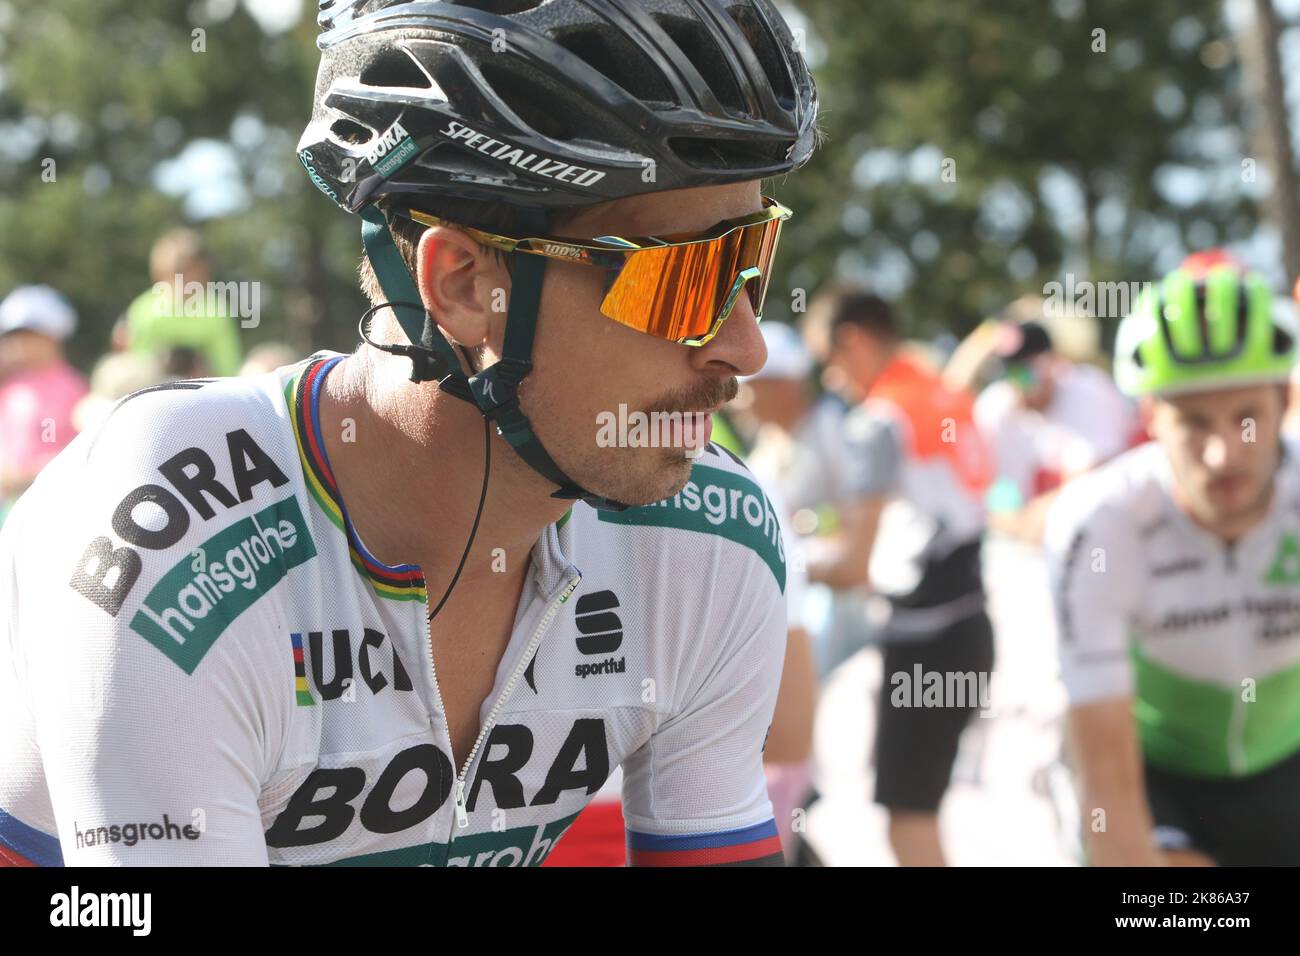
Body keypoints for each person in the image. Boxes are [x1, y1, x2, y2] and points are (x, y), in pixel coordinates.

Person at [0, 0, 818, 867]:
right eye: (688, 279)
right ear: (464, 285)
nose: (747, 346)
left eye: (754, 264)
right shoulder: (177, 539)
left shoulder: (710, 541)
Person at [1046, 260, 1300, 866]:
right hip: (1154, 774)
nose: (1222, 454)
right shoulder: (1100, 524)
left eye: (1246, 417)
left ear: (1284, 401)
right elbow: (1106, 773)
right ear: (1152, 417)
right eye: (1192, 422)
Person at [802, 286, 996, 867]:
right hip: (966, 627)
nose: (831, 382)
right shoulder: (937, 388)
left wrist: (774, 553)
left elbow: (855, 566)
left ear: (853, 343)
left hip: (926, 640)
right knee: (919, 815)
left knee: (908, 824)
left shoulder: (878, 417)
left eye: (827, 364)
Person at [957, 308, 1139, 545]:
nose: (1020, 384)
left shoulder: (1088, 390)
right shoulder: (997, 407)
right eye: (1011, 373)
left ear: (1055, 362)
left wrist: (1033, 521)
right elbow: (999, 492)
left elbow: (1090, 485)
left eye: (1028, 373)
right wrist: (988, 329)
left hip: (1111, 534)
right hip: (1035, 545)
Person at [0, 285, 88, 523]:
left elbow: (81, 446)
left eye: (27, 335)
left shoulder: (73, 387)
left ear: (52, 337)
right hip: (9, 504)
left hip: (52, 506)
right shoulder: (10, 387)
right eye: (12, 335)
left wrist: (32, 473)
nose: (16, 343)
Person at [121, 227, 243, 376]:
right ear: (160, 275)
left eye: (198, 275)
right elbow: (136, 366)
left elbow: (228, 368)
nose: (190, 283)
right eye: (180, 275)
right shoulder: (144, 310)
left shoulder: (216, 311)